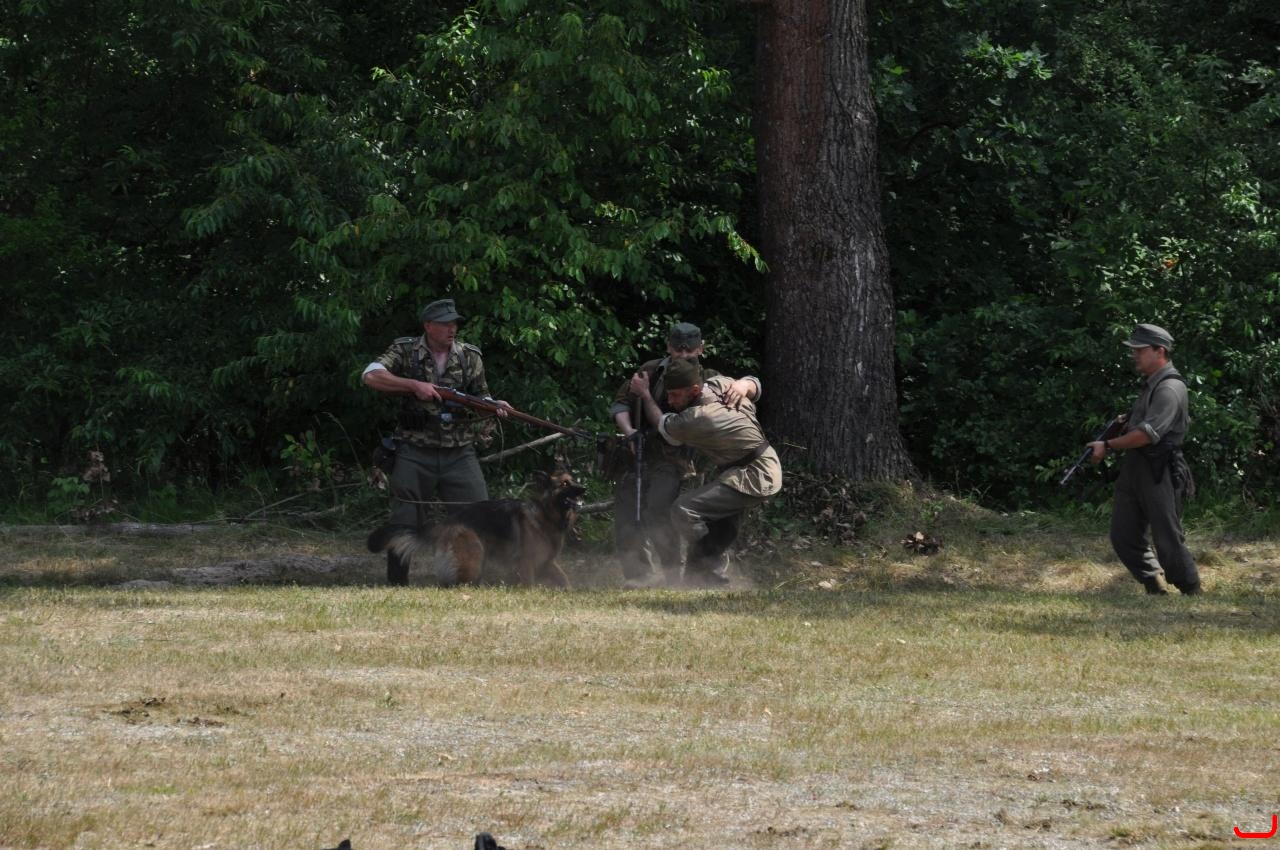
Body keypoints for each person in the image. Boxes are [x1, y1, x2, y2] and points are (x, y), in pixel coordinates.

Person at [362, 298, 511, 585]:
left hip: (459, 451)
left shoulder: (469, 356)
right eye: (445, 324)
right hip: (414, 449)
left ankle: (472, 580)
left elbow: (481, 396)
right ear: (428, 326)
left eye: (454, 323)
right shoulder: (405, 350)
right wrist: (413, 385)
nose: (452, 329)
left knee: (480, 514)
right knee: (404, 518)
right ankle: (397, 585)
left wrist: (495, 406)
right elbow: (371, 376)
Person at [609, 323, 760, 586]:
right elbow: (621, 403)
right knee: (627, 515)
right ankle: (639, 575)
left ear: (700, 349)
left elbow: (750, 388)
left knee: (658, 509)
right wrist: (630, 431)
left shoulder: (709, 378)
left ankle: (675, 572)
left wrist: (744, 384)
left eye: (689, 350)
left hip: (678, 459)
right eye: (678, 349)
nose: (683, 354)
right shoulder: (651, 371)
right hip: (641, 452)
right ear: (669, 347)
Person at [630, 357, 782, 586]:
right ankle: (702, 574)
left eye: (675, 395)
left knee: (684, 509)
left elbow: (663, 426)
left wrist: (645, 395)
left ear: (694, 390)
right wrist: (745, 384)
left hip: (756, 474)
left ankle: (711, 564)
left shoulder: (699, 418)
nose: (670, 401)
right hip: (748, 467)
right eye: (668, 394)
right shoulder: (718, 385)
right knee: (711, 518)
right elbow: (756, 385)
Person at [1087, 323, 1200, 595]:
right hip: (1136, 466)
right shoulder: (1151, 385)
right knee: (1123, 533)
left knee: (1167, 536)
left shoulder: (1169, 388)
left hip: (1159, 469)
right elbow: (1139, 427)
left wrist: (1108, 444)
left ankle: (1190, 588)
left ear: (1160, 351)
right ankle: (1153, 583)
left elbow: (1147, 435)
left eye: (1140, 350)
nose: (1134, 355)